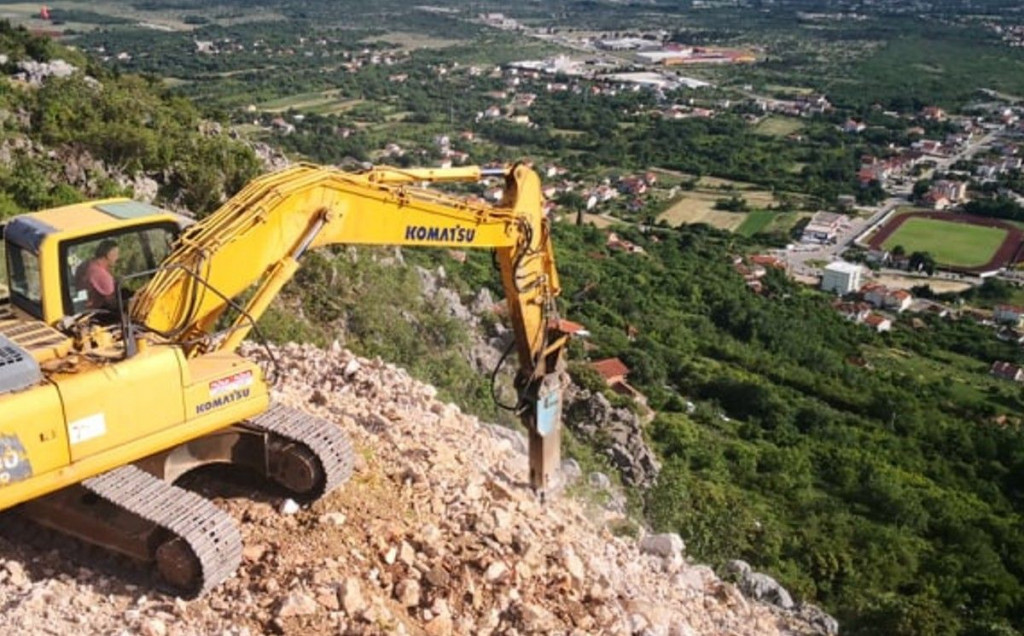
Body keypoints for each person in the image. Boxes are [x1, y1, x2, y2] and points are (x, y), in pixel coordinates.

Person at [77, 239, 120, 310]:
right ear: (108, 255)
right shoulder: (102, 275)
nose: (117, 258)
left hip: (84, 309)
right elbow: (112, 304)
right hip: (97, 313)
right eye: (116, 254)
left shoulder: (85, 265)